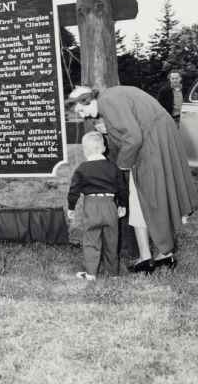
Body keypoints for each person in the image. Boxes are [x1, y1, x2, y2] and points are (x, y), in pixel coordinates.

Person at [66, 85, 198, 274]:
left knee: (152, 196)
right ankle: (149, 257)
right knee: (142, 196)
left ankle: (164, 254)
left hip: (153, 141)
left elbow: (134, 138)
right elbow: (131, 123)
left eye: (81, 110)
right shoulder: (110, 97)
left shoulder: (107, 102)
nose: (84, 115)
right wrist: (108, 128)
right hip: (156, 136)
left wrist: (121, 166)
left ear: (86, 100)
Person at [67, 131, 128, 281]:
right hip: (109, 206)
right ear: (104, 149)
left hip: (91, 206)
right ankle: (113, 274)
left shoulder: (82, 168)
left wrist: (71, 208)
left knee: (91, 240)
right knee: (112, 240)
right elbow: (122, 188)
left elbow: (73, 189)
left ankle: (90, 274)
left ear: (85, 150)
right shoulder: (113, 168)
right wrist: (122, 205)